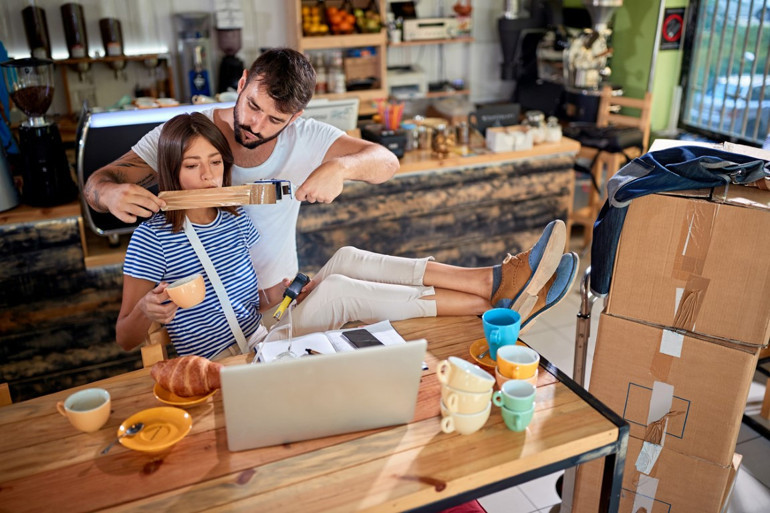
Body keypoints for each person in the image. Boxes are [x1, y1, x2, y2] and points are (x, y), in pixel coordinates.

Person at [117, 113, 579, 361]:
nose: (207, 176)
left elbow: (252, 303)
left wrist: (284, 296)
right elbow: (125, 337)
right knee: (339, 289)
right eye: (192, 166)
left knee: (345, 257)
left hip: (264, 328)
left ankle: (491, 281)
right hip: (233, 361)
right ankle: (493, 307)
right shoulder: (151, 240)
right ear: (170, 170)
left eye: (215, 163)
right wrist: (145, 311)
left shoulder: (232, 218)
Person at [84, 47, 399, 296]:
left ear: (295, 117)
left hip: (279, 295)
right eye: (253, 106)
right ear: (242, 83)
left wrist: (340, 167)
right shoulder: (190, 133)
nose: (256, 126)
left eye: (275, 120)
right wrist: (109, 194)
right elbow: (98, 184)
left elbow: (386, 161)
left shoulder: (306, 136)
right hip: (209, 308)